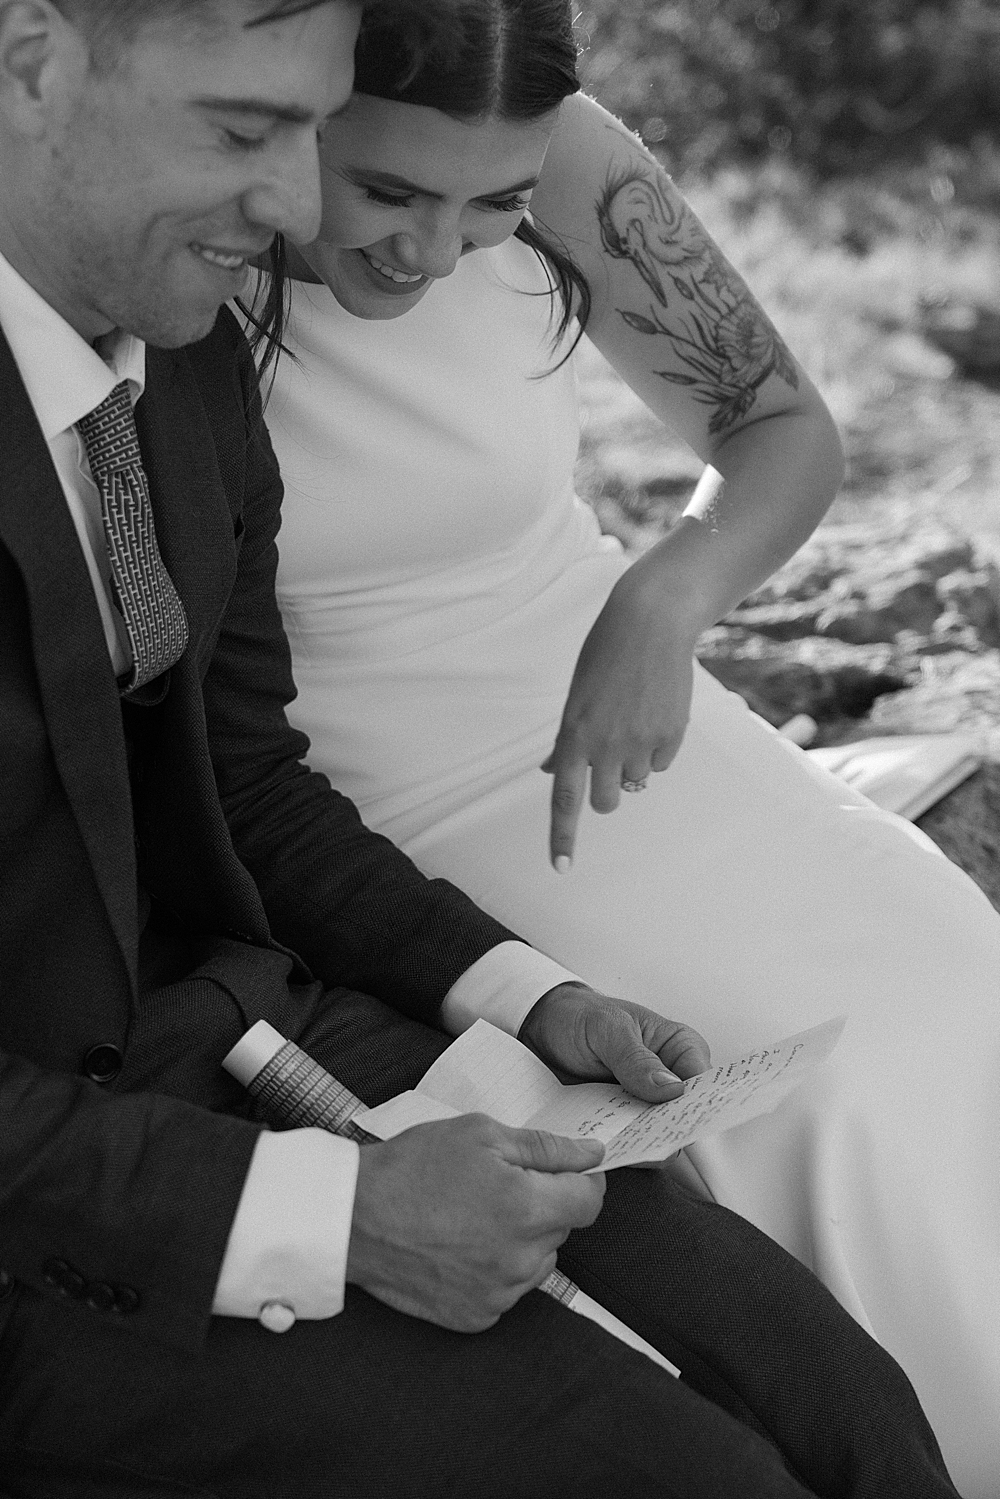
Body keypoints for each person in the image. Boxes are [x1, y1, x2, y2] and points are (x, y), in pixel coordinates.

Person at [0, 0, 973, 1494]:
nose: (294, 207)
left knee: (832, 1346)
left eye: (488, 207)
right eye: (260, 136)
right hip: (92, 1157)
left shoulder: (168, 359)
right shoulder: (178, 297)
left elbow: (231, 773)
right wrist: (329, 1213)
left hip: (274, 967)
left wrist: (537, 997)